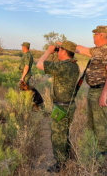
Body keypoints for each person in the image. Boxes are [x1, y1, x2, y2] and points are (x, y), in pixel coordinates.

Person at [58, 25, 107, 156]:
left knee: (100, 122)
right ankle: (93, 146)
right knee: (91, 121)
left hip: (100, 90)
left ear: (100, 35)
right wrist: (64, 45)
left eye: (94, 34)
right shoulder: (97, 50)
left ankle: (103, 151)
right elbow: (81, 49)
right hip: (93, 90)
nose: (93, 37)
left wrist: (104, 94)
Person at [36, 40, 80, 173]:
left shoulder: (63, 66)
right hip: (69, 105)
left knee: (57, 136)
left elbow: (39, 64)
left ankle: (60, 164)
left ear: (64, 51)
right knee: (64, 134)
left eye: (59, 50)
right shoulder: (74, 66)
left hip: (61, 107)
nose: (58, 51)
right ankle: (66, 159)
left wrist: (49, 51)